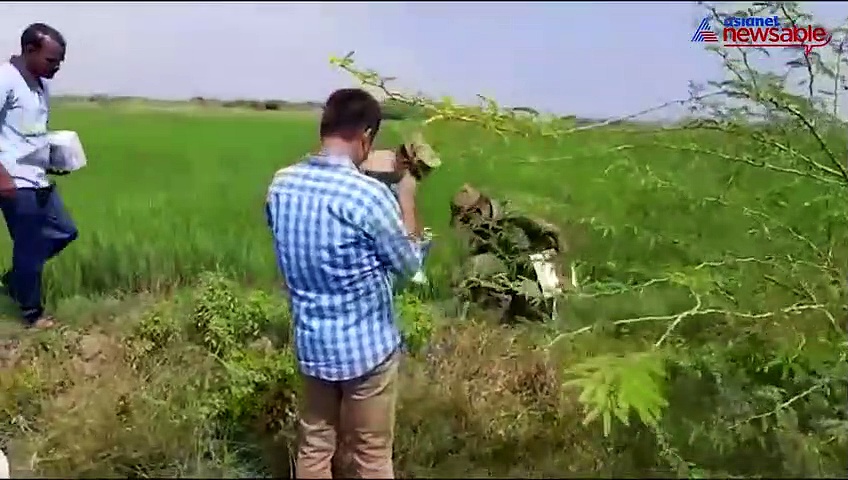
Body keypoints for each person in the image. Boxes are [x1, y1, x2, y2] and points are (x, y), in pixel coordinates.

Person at [265, 88, 426, 479]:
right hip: (366, 351)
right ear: (367, 136)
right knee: (370, 456)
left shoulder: (280, 184)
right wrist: (405, 197)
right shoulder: (369, 195)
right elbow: (410, 267)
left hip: (312, 345)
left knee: (315, 447)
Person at [0, 23, 78, 329]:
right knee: (29, 246)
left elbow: (31, 134)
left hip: (37, 177)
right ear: (30, 50)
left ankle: (16, 279)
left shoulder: (40, 84)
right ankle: (31, 315)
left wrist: (52, 160)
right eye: (51, 60)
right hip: (14, 181)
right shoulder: (5, 78)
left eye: (60, 61)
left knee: (64, 230)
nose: (56, 67)